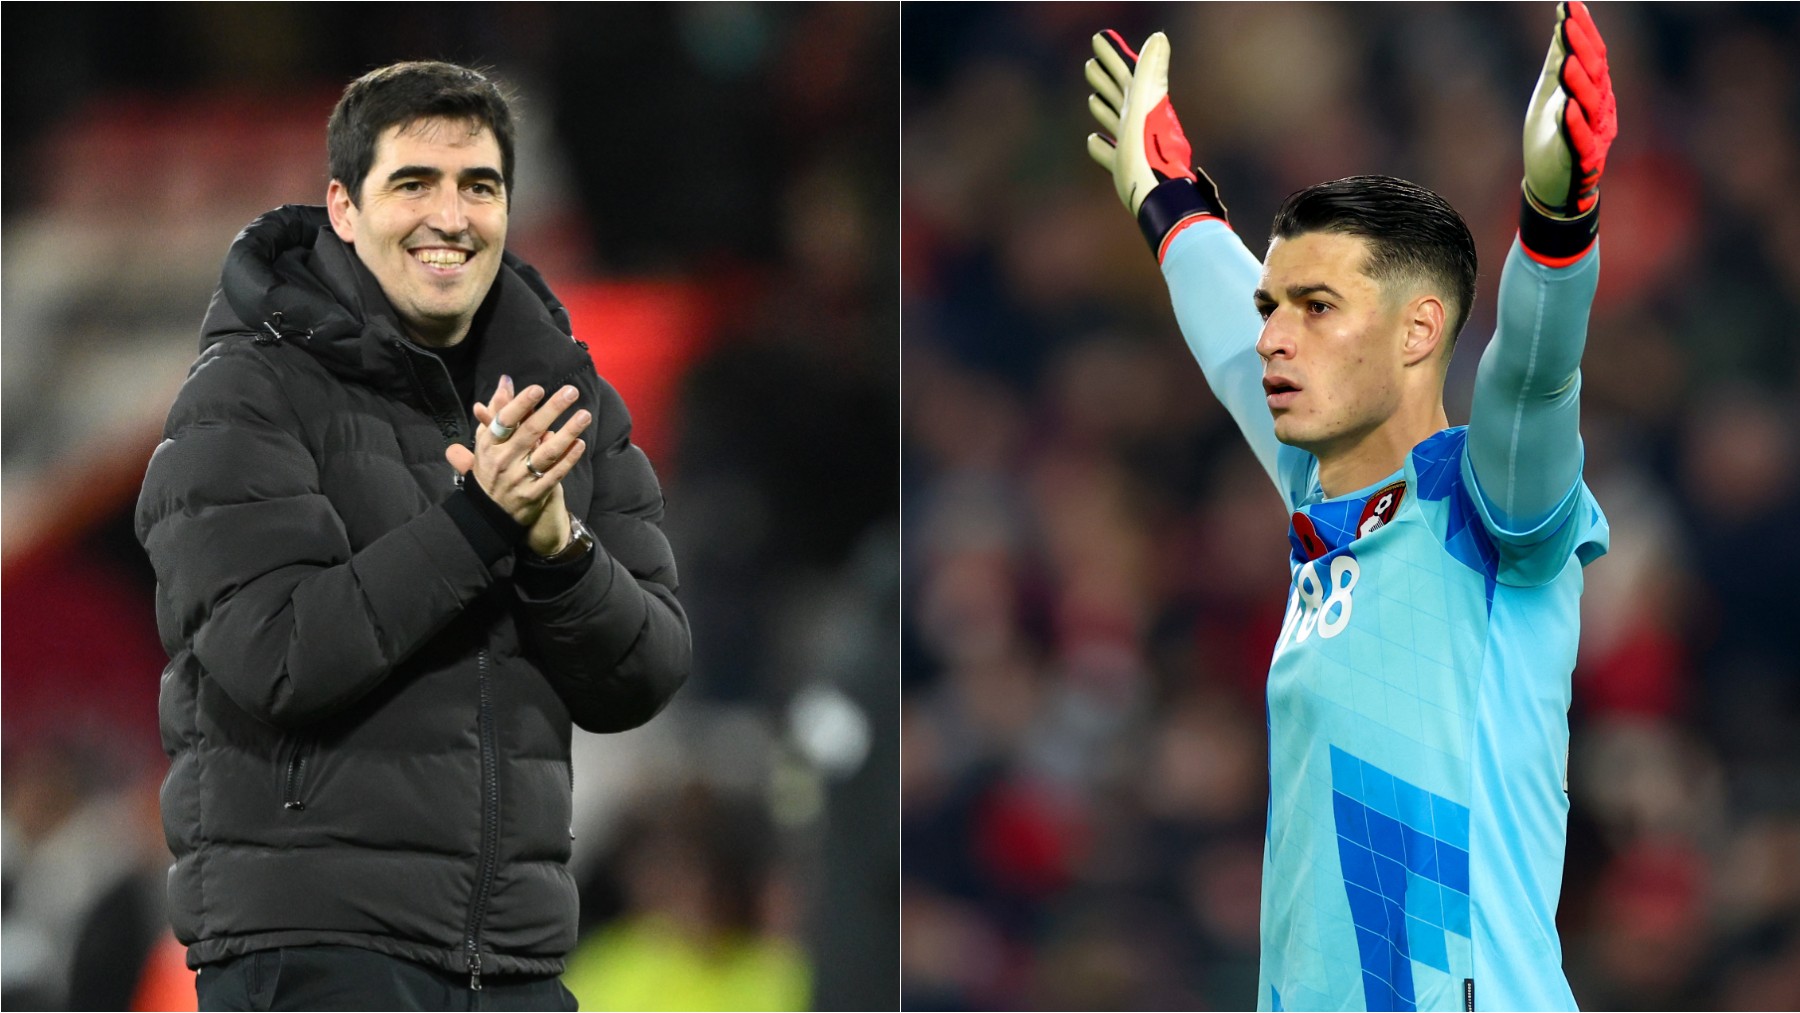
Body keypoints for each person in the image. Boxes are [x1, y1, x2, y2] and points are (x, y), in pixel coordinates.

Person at [1085, 3, 1616, 1010]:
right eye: (1274, 305)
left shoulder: (1490, 506)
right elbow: (1231, 344)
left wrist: (1557, 227)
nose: (1278, 335)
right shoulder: (1322, 498)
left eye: (1317, 307)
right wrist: (1171, 202)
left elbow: (1535, 376)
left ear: (1420, 331)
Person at [134, 61, 691, 1010]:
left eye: (480, 185)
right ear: (343, 209)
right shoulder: (245, 396)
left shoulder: (567, 402)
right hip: (317, 948)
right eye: (414, 183)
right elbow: (277, 653)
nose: (452, 215)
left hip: (513, 959)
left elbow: (644, 669)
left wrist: (560, 554)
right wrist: (480, 524)